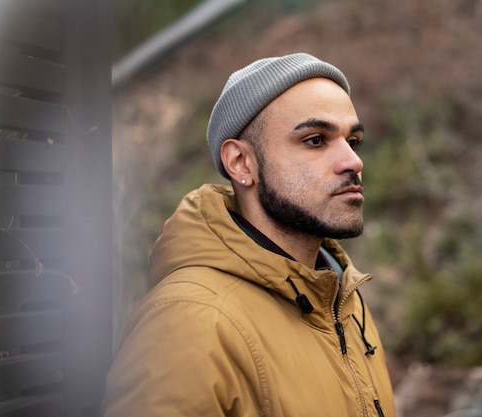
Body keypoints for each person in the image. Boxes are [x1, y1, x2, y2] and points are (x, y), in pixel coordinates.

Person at [102, 52, 395, 416]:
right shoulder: (188, 322)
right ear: (241, 163)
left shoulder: (341, 300)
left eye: (353, 141)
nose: (353, 161)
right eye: (316, 140)